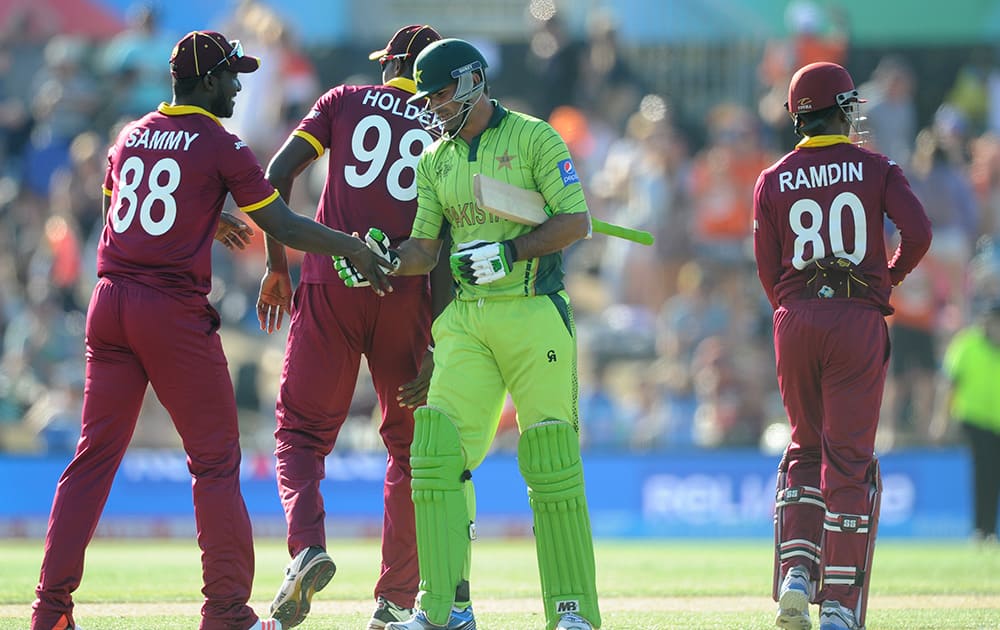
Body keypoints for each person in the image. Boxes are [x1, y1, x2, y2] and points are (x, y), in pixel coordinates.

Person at [30, 30, 392, 630]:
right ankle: (227, 614)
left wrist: (205, 212)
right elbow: (282, 221)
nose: (238, 85)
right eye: (230, 75)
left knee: (91, 461)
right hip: (169, 311)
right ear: (204, 82)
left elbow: (119, 208)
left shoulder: (129, 135)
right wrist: (346, 244)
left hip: (110, 300)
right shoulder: (222, 143)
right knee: (216, 462)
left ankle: (49, 613)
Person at [336, 37, 602, 630]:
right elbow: (425, 250)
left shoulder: (535, 136)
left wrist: (510, 251)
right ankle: (444, 610)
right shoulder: (436, 160)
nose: (432, 107)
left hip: (533, 310)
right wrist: (379, 257)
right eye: (427, 97)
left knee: (550, 456)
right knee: (434, 452)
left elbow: (576, 220)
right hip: (467, 319)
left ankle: (572, 612)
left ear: (473, 82)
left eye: (439, 94)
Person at [255, 24, 452, 630]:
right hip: (407, 292)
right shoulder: (447, 133)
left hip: (329, 283)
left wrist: (276, 265)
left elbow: (276, 176)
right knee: (409, 450)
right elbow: (444, 241)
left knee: (302, 434)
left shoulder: (342, 100)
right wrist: (437, 340)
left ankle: (307, 548)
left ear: (390, 64)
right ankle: (394, 601)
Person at [752, 61, 932, 630]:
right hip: (856, 319)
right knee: (849, 466)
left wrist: (795, 309)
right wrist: (887, 277)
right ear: (844, 109)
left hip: (795, 318)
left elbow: (767, 270)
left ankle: (797, 574)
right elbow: (919, 234)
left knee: (805, 449)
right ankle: (837, 609)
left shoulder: (772, 177)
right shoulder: (876, 167)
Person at [930, 301, 1000, 543]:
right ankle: (982, 530)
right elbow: (949, 383)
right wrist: (941, 420)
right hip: (975, 419)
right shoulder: (967, 344)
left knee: (993, 475)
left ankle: (989, 530)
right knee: (984, 474)